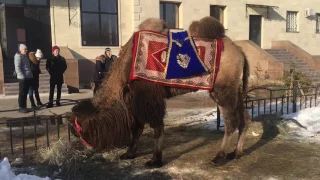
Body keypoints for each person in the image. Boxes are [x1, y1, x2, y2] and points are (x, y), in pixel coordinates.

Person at [14, 44, 33, 113]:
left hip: (27, 77)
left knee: (25, 93)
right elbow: (17, 68)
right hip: (23, 79)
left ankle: (24, 106)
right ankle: (21, 107)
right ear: (21, 50)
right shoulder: (18, 57)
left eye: (26, 49)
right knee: (22, 93)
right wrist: (22, 77)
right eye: (25, 49)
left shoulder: (25, 56)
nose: (26, 50)